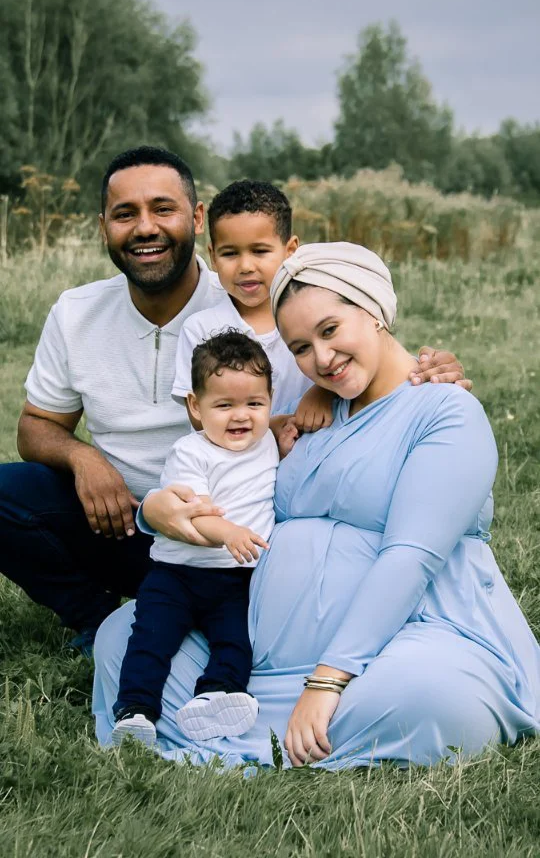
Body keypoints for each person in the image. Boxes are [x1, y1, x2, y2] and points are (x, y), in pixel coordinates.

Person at [0, 144, 468, 654]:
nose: (145, 228)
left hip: (242, 526)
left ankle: (204, 613)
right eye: (124, 214)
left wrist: (428, 371)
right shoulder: (76, 312)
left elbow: (353, 348)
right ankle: (95, 615)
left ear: (196, 218)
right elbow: (35, 425)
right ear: (103, 225)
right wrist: (82, 457)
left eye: (163, 209)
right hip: (126, 520)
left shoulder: (262, 300)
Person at [93, 242, 540, 769]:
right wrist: (156, 512)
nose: (320, 359)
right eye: (300, 347)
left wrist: (328, 680)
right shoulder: (301, 415)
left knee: (431, 695)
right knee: (119, 637)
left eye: (330, 331)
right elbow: (224, 479)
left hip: (408, 634)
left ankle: (307, 714)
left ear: (373, 309)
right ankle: (254, 714)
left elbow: (411, 557)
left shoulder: (445, 412)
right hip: (261, 637)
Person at [112, 331, 278, 747]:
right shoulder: (191, 453)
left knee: (237, 643)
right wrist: (232, 533)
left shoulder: (268, 441)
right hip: (177, 575)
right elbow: (194, 518)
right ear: (195, 407)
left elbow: (283, 424)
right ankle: (136, 711)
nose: (241, 416)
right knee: (151, 640)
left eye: (254, 404)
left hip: (235, 580)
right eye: (224, 405)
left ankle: (215, 696)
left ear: (270, 402)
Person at [174, 179, 333, 426]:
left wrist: (322, 392)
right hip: (234, 461)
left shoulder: (317, 315)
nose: (246, 267)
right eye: (230, 254)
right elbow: (200, 420)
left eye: (259, 251)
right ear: (213, 256)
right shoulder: (200, 330)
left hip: (310, 451)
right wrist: (271, 429)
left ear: (290, 250)